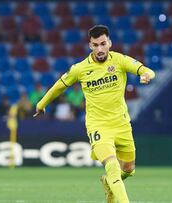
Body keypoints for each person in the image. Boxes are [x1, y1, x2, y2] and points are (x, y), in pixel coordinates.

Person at [33, 25, 155, 203]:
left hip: (121, 124)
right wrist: (41, 104)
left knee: (128, 170)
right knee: (112, 166)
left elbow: (146, 69)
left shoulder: (119, 60)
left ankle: (109, 183)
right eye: (95, 45)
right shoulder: (80, 69)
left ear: (109, 43)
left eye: (103, 44)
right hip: (98, 126)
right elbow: (59, 85)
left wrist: (146, 75)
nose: (99, 49)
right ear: (90, 46)